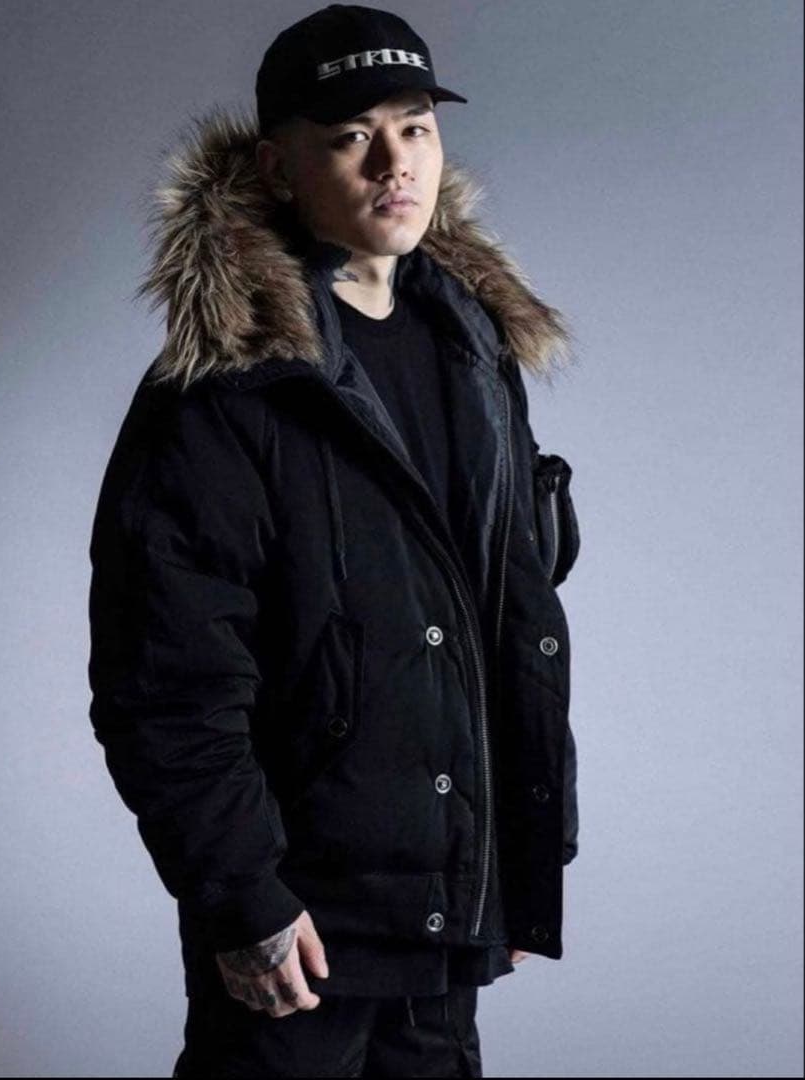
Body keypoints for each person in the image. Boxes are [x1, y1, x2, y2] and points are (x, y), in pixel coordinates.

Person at [86, 4, 582, 1076]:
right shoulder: (229, 387)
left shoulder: (473, 349)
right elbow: (164, 679)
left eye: (415, 128)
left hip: (447, 905)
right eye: (353, 136)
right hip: (301, 920)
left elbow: (505, 615)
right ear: (278, 166)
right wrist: (243, 900)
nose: (395, 163)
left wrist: (519, 859)